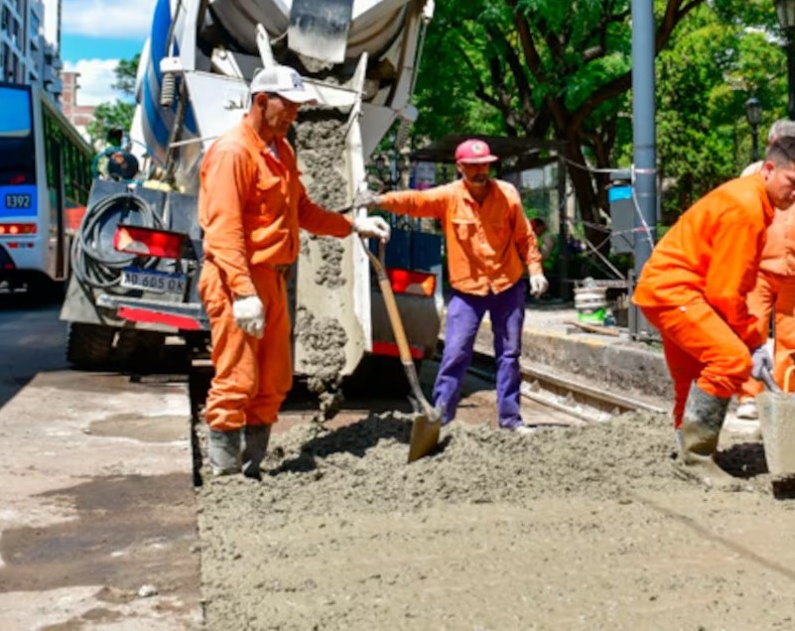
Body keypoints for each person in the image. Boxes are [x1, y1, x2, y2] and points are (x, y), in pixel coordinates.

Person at [199, 65, 390, 478]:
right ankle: (227, 474)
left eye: (299, 108)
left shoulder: (281, 151)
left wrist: (353, 224)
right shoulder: (233, 153)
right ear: (261, 101)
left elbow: (300, 210)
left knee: (273, 379)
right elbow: (224, 227)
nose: (294, 116)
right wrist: (243, 290)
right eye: (288, 107)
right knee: (237, 377)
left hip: (271, 278)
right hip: (238, 279)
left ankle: (253, 466)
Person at [633, 136, 795, 485]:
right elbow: (726, 291)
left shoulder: (747, 197)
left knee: (692, 376)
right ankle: (697, 458)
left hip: (667, 289)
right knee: (730, 361)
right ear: (768, 169)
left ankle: (684, 449)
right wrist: (752, 341)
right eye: (793, 183)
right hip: (678, 292)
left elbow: (727, 285)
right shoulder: (746, 210)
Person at [362, 138, 548, 432]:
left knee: (509, 355)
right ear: (460, 167)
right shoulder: (449, 197)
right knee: (455, 353)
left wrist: (535, 270)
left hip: (507, 286)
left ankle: (511, 419)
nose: (480, 171)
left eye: (484, 165)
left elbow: (525, 236)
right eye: (473, 167)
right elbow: (414, 202)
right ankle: (441, 420)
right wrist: (379, 201)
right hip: (467, 291)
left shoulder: (507, 194)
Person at [735, 120, 795, 416]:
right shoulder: (753, 175)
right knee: (752, 334)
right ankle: (750, 397)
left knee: (790, 341)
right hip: (759, 270)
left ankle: (782, 398)